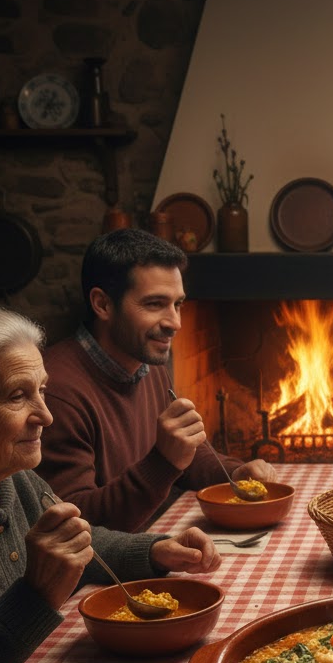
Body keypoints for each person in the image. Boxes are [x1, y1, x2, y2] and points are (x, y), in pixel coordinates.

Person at [0, 304, 222, 663]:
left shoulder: (16, 479)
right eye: (16, 395)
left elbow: (80, 541)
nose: (45, 415)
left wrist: (155, 549)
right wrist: (36, 594)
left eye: (42, 390)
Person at [37, 228, 277, 532]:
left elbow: (185, 453)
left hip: (159, 532)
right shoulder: (56, 391)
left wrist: (234, 471)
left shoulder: (146, 363)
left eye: (178, 304)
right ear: (103, 304)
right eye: (154, 304)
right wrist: (163, 462)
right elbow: (77, 525)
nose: (175, 323)